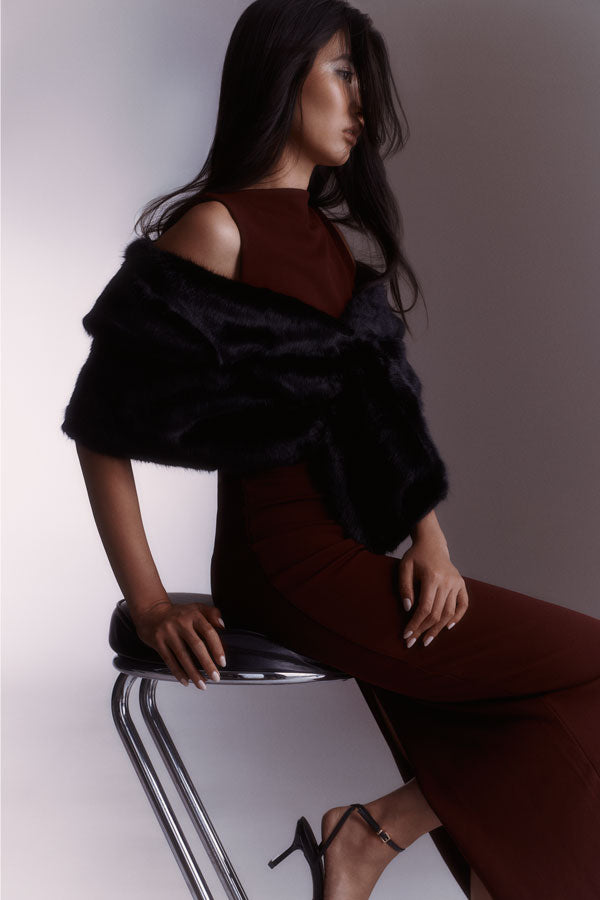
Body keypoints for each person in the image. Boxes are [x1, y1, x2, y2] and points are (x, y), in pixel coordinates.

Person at [63, 2, 600, 899]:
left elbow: (388, 424)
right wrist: (149, 603)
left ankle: (384, 842)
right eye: (344, 73)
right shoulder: (218, 229)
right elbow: (100, 426)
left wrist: (431, 541)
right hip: (282, 568)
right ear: (282, 76)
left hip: (343, 559)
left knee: (537, 705)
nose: (362, 104)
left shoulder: (334, 251)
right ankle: (373, 836)